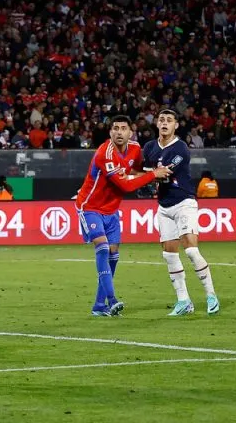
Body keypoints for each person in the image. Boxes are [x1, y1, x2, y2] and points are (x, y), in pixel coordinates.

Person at [74, 115, 171, 317]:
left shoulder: (135, 148)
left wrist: (152, 171)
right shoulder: (105, 153)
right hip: (90, 207)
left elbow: (138, 170)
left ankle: (99, 306)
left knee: (113, 254)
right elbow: (125, 185)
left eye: (123, 128)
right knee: (102, 248)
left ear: (130, 132)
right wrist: (153, 175)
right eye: (115, 128)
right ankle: (112, 300)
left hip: (111, 210)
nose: (119, 132)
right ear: (110, 132)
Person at [142, 110, 220, 316]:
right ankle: (183, 300)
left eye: (169, 120)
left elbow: (164, 172)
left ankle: (211, 295)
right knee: (169, 254)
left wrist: (146, 176)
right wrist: (144, 176)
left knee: (191, 250)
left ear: (176, 125)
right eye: (161, 120)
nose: (165, 123)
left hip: (184, 202)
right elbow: (143, 170)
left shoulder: (181, 148)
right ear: (157, 124)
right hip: (164, 206)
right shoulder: (149, 147)